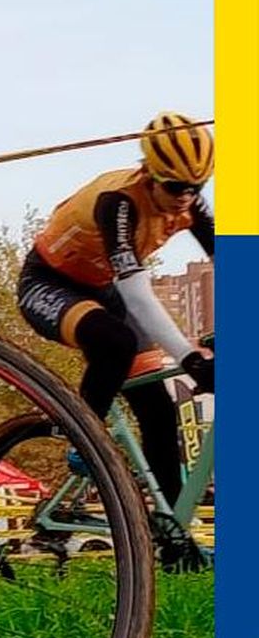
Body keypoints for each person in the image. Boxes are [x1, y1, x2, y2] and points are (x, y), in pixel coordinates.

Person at [16, 112, 214, 565]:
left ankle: (173, 539)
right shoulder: (118, 202)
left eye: (196, 188)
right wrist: (190, 358)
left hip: (104, 290)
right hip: (50, 284)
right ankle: (84, 440)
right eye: (175, 187)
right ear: (149, 173)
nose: (185, 199)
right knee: (115, 343)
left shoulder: (186, 203)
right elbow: (139, 295)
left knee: (159, 412)